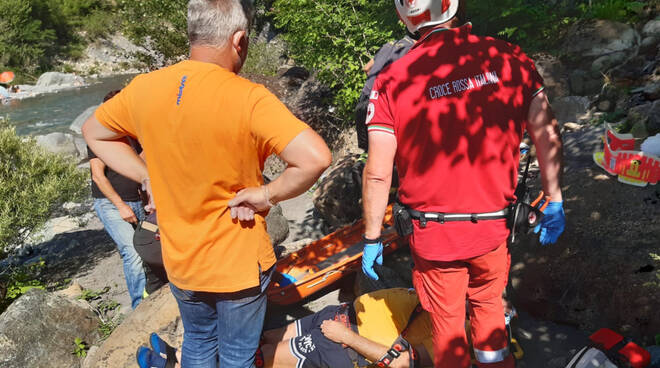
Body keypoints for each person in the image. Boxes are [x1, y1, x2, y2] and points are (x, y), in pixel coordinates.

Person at [82, 0, 332, 366]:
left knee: (198, 343)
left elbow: (94, 133)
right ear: (239, 40)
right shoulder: (248, 97)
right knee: (237, 355)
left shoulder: (144, 88)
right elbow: (316, 158)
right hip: (238, 261)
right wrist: (266, 194)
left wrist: (146, 174)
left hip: (181, 259)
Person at [361, 1, 565, 367]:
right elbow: (546, 135)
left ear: (404, 16)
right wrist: (554, 198)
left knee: (448, 331)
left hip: (434, 238)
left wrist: (373, 237)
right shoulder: (508, 57)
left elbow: (378, 172)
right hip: (492, 230)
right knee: (489, 317)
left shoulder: (391, 80)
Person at [136, 288, 435, 368]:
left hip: (344, 345)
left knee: (256, 359)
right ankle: (181, 358)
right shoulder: (460, 302)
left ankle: (175, 366)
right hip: (341, 316)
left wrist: (345, 336)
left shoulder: (461, 332)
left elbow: (402, 362)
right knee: (256, 341)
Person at [88, 90, 146, 309]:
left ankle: (151, 296)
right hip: (111, 203)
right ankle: (138, 308)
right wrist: (120, 206)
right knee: (132, 253)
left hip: (138, 201)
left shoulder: (133, 135)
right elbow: (97, 176)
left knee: (147, 249)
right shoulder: (101, 137)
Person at [355, 34, 417, 151]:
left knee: (370, 152)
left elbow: (367, 68)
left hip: (364, 101)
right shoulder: (412, 50)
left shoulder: (388, 45)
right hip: (381, 107)